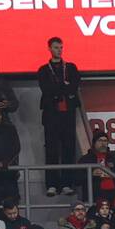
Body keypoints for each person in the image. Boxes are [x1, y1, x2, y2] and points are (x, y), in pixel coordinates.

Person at [37, 36, 81, 196]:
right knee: (52, 149)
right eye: (56, 47)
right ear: (49, 49)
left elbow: (74, 85)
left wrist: (61, 88)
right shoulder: (43, 70)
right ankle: (52, 184)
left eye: (61, 47)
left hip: (67, 113)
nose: (59, 50)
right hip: (51, 114)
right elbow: (46, 89)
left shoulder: (70, 67)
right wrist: (63, 87)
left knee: (69, 148)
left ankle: (67, 183)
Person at [78, 131, 115, 204]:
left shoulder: (113, 159)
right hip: (95, 197)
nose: (103, 143)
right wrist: (91, 174)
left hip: (113, 196)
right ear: (94, 143)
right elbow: (77, 179)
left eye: (105, 141)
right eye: (100, 141)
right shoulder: (85, 159)